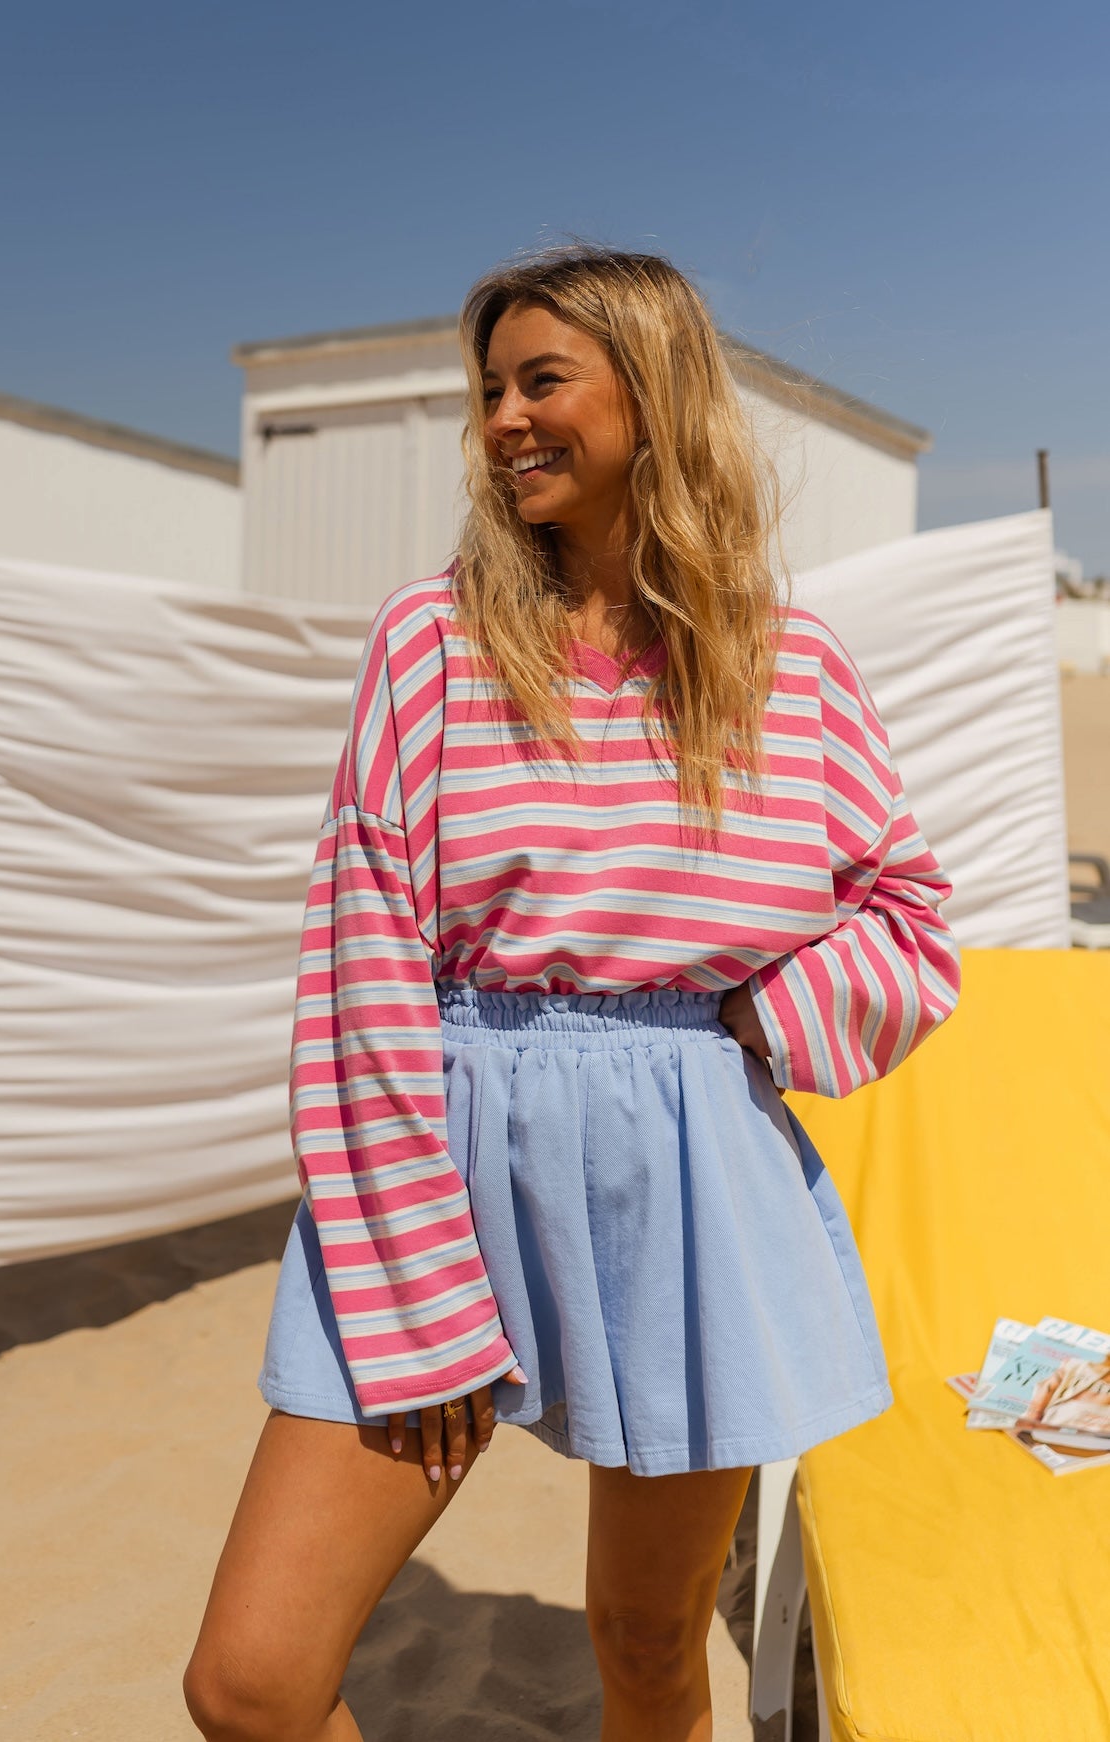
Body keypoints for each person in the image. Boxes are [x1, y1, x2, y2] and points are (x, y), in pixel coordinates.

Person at [184, 245, 960, 1742]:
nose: (502, 419)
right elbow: (362, 964)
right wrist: (412, 1290)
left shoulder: (786, 669)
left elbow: (909, 922)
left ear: (652, 397)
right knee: (253, 1680)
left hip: (690, 1176)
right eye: (491, 390)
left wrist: (748, 1020)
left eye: (542, 380)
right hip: (440, 1152)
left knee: (648, 1644)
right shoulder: (432, 644)